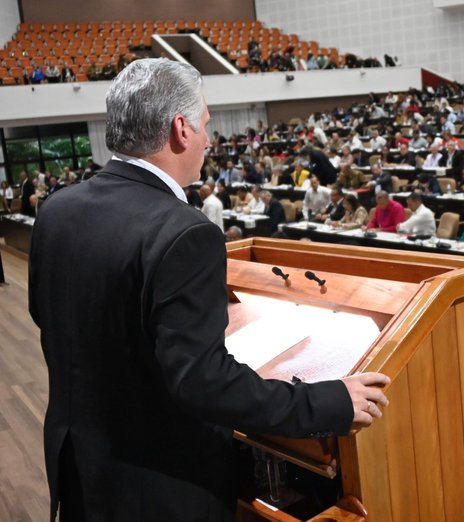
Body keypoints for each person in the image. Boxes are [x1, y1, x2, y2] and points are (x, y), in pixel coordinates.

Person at [28, 59, 389, 522]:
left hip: (80, 464)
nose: (207, 138)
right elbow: (203, 381)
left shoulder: (58, 210)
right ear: (180, 129)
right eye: (204, 124)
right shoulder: (184, 231)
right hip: (156, 485)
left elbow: (51, 317)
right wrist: (327, 401)